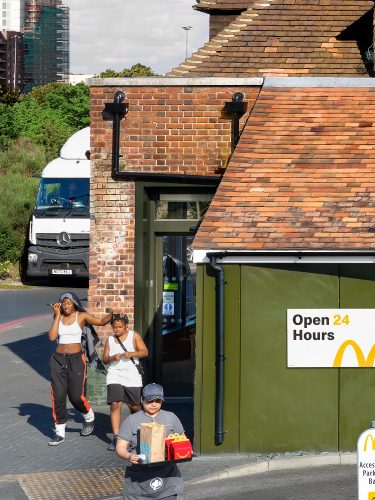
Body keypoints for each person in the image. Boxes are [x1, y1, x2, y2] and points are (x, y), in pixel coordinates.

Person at [47, 291, 115, 446]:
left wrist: (112, 315)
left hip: (76, 359)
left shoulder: (81, 316)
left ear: (74, 303)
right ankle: (59, 432)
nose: (66, 306)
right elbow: (52, 337)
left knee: (76, 396)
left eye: (69, 302)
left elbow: (101, 322)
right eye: (63, 303)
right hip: (58, 359)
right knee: (57, 395)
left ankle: (89, 417)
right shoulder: (59, 316)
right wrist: (57, 315)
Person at [116, 383, 185, 499]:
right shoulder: (132, 420)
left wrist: (183, 451)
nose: (154, 404)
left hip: (167, 476)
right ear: (142, 400)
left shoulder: (171, 417)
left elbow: (182, 440)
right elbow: (120, 447)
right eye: (150, 401)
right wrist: (129, 456)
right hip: (139, 478)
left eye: (158, 401)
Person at [103, 313, 148, 451]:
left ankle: (136, 433)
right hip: (115, 374)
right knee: (115, 404)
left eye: (119, 327)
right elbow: (104, 359)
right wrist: (112, 357)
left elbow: (145, 352)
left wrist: (131, 354)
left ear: (126, 326)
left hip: (132, 375)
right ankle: (117, 437)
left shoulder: (134, 336)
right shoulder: (109, 340)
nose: (116, 330)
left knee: (134, 406)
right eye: (114, 327)